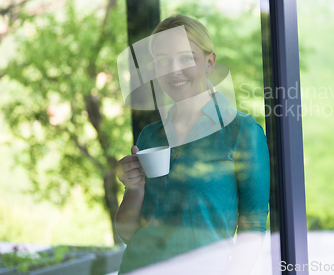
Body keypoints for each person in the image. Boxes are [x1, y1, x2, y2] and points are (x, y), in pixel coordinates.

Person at [115, 14, 270, 275]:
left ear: (210, 62)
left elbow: (253, 224)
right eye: (162, 61)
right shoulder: (150, 136)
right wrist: (134, 188)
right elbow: (128, 233)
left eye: (186, 58)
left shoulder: (241, 131)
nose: (173, 70)